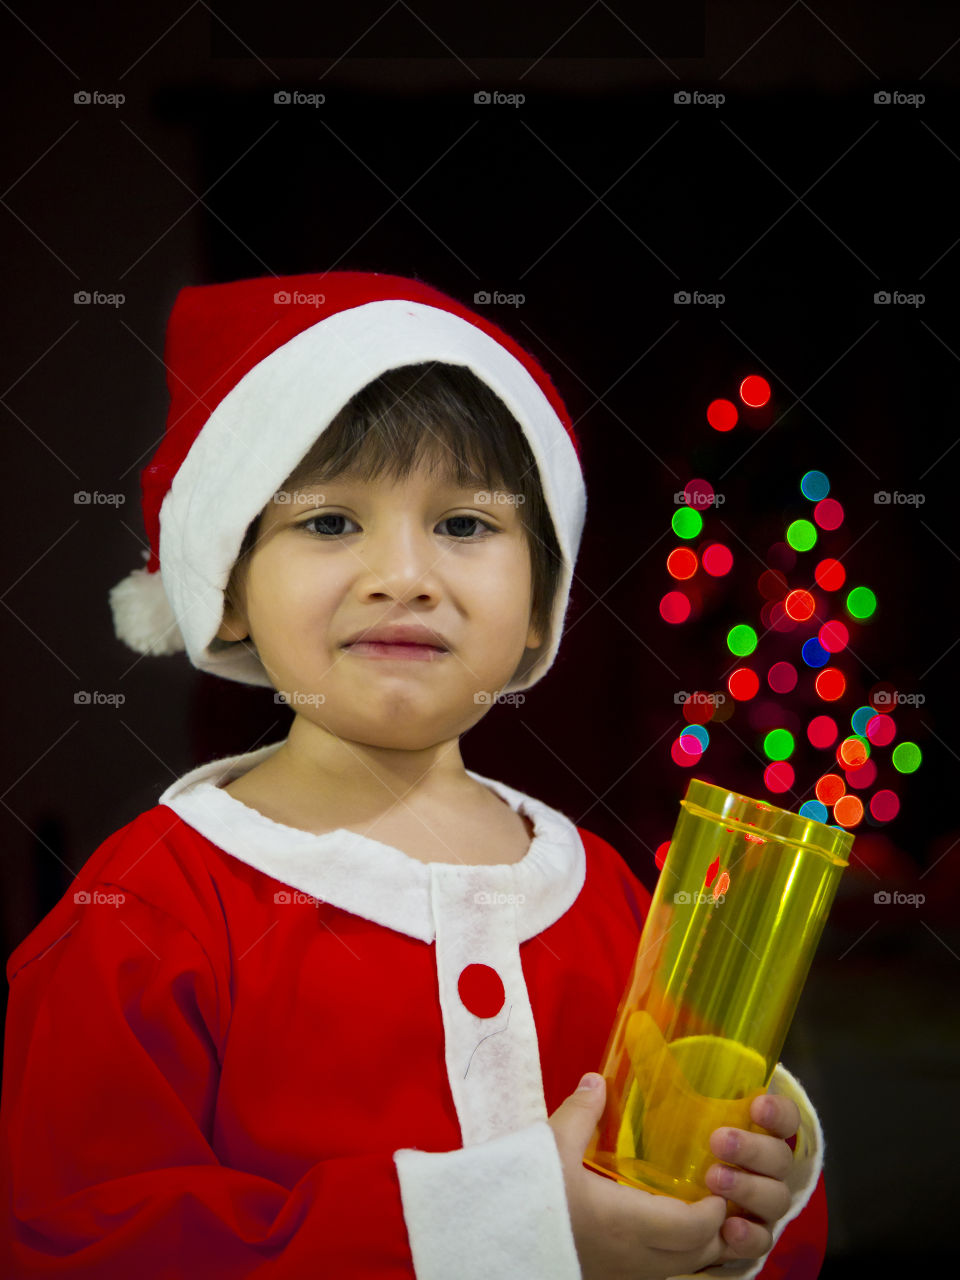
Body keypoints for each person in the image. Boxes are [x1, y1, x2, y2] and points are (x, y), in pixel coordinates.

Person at [0, 272, 829, 1279]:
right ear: (224, 586)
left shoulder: (607, 891)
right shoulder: (136, 913)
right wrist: (505, 1230)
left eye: (466, 524)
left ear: (540, 601)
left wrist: (748, 1200)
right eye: (330, 522)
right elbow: (78, 1243)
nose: (405, 574)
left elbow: (694, 1195)